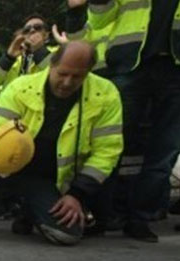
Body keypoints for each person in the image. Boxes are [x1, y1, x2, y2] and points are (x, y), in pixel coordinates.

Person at [0, 42, 124, 246]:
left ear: (88, 72)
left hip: (51, 181)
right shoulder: (21, 87)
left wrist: (76, 195)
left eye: (77, 77)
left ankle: (29, 210)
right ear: (52, 64)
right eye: (62, 73)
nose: (66, 82)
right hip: (9, 168)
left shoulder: (107, 94)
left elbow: (107, 152)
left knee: (66, 234)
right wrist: (6, 148)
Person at [66, 0, 180, 242]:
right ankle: (100, 214)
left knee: (164, 150)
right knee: (109, 142)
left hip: (175, 72)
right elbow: (100, 20)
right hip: (130, 68)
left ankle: (140, 218)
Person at [0, 14, 55, 94]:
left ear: (46, 35)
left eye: (38, 28)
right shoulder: (15, 58)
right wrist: (8, 58)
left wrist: (38, 49)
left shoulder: (57, 52)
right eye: (27, 30)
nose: (32, 31)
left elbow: (56, 73)